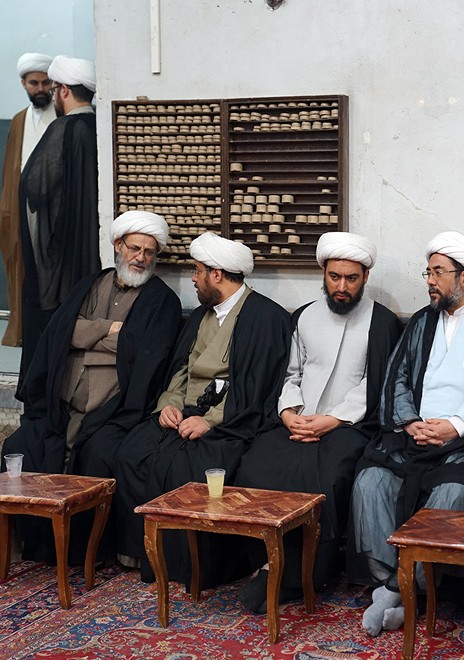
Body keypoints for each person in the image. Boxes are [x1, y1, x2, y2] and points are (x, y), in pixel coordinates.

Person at [349, 230, 464, 637]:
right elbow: (398, 377)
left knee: (453, 494)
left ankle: (399, 592)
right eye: (428, 272)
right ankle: (393, 583)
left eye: (438, 272)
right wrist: (410, 422)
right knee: (370, 481)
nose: (430, 280)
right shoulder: (422, 321)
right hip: (414, 434)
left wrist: (454, 426)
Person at [235, 232, 402, 613]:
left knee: (328, 473)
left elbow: (375, 385)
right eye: (334, 277)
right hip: (298, 420)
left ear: (365, 277)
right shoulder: (304, 316)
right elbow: (290, 373)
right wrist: (289, 413)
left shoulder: (382, 322)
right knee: (256, 464)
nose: (342, 287)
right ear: (323, 274)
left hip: (351, 425)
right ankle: (264, 562)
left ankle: (306, 573)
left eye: (351, 278)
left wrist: (331, 420)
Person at [113, 232, 291, 588]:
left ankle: (194, 569)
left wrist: (209, 421)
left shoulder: (264, 317)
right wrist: (168, 404)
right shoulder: (201, 315)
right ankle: (145, 555)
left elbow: (256, 390)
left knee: (191, 466)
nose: (193, 279)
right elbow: (181, 369)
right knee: (133, 452)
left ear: (217, 275)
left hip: (230, 420)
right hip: (184, 412)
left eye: (197, 271)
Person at [3, 211, 180, 564]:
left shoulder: (162, 300)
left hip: (113, 410)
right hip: (62, 404)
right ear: (118, 245)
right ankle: (31, 544)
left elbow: (143, 351)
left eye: (149, 252)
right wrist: (108, 330)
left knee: (98, 453)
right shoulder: (90, 284)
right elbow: (62, 330)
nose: (141, 258)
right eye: (135, 248)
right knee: (20, 446)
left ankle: (86, 552)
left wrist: (89, 335)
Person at [18, 56, 99, 381]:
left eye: (54, 90)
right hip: (93, 257)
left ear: (63, 90)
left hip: (61, 260)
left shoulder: (63, 129)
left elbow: (35, 188)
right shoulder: (99, 127)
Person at [1, 53, 56, 347]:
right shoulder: (19, 120)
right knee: (21, 266)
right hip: (22, 206)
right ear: (24, 83)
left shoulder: (60, 115)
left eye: (46, 82)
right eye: (34, 83)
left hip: (52, 208)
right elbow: (12, 168)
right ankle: (21, 329)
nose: (40, 89)